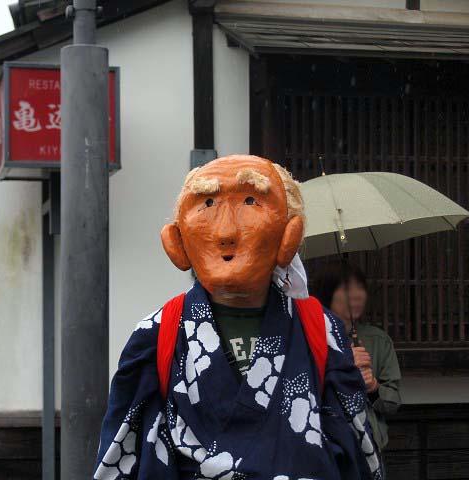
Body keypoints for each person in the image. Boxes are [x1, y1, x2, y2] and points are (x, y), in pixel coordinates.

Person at [94, 155, 383, 479]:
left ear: (289, 234)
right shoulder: (158, 333)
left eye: (250, 201)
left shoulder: (320, 328)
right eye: (207, 203)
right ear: (176, 241)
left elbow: (358, 454)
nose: (226, 231)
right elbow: (122, 456)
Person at [313, 261, 402, 454]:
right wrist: (341, 362)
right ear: (328, 293)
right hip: (327, 445)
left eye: (360, 288)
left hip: (369, 446)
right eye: (346, 288)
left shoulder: (378, 340)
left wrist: (373, 387)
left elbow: (393, 402)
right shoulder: (311, 336)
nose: (356, 295)